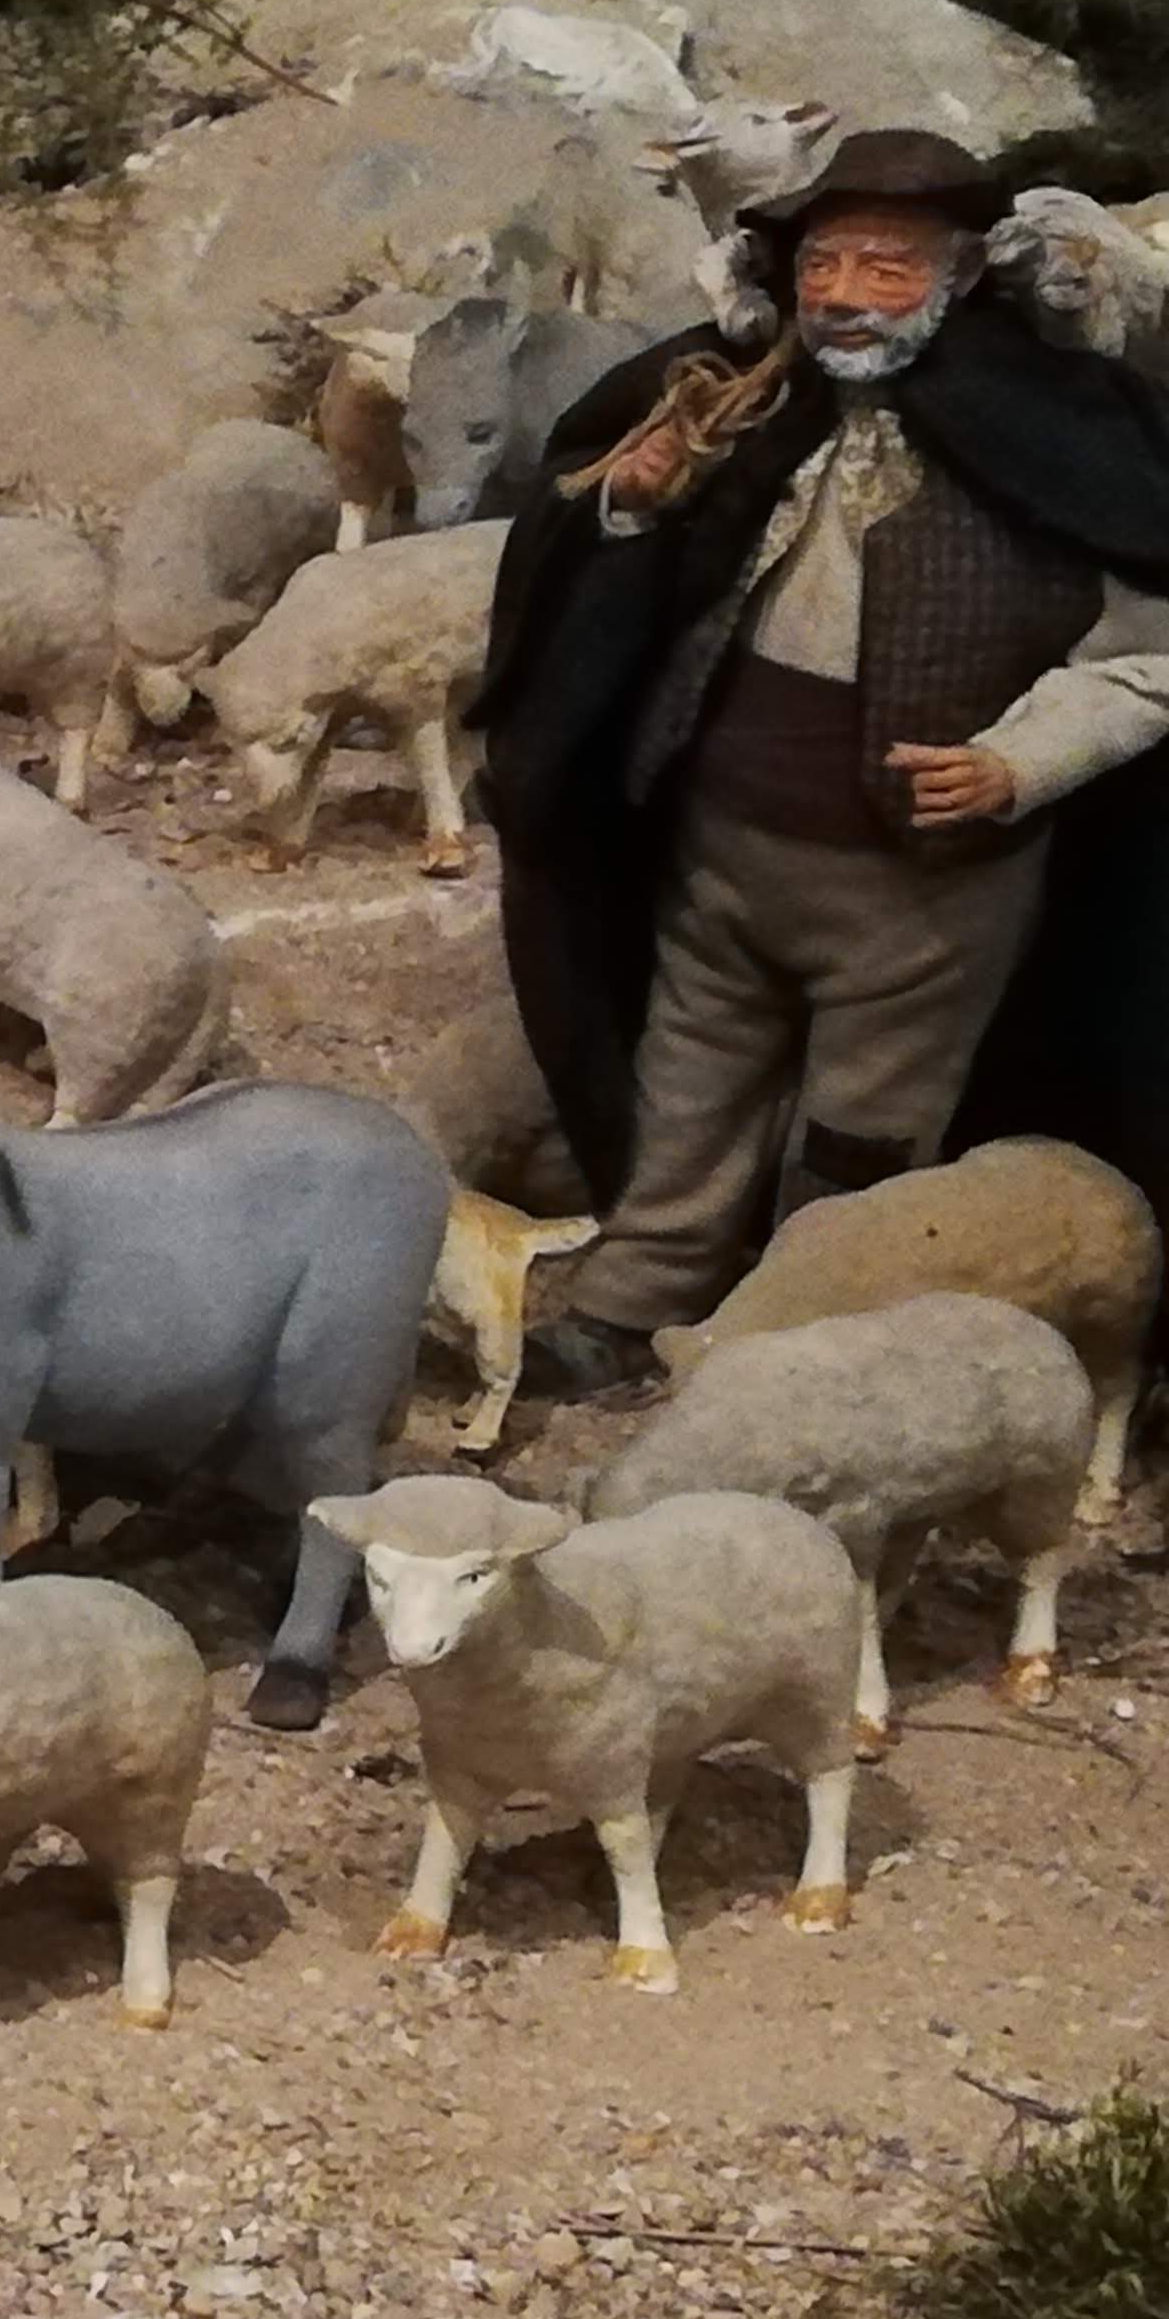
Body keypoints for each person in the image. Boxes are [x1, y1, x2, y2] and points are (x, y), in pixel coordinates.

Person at [478, 125, 1169, 1397]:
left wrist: (1019, 763)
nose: (846, 296)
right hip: (725, 851)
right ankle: (636, 1298)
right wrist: (633, 504)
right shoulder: (752, 401)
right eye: (824, 265)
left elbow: (1145, 654)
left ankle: (805, 1346)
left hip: (922, 886)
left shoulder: (1063, 433)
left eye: (887, 268)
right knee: (686, 1089)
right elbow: (616, 574)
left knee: (865, 1131)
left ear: (965, 275)